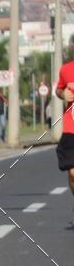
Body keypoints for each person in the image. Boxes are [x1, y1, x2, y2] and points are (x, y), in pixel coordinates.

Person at [54, 59, 74, 227]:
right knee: (73, 173)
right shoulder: (66, 69)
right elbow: (58, 90)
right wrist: (63, 94)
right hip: (71, 129)